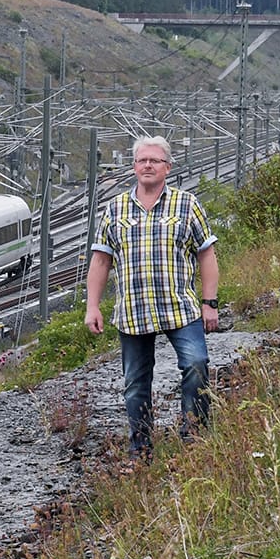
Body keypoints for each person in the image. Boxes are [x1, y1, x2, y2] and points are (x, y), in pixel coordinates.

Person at [84, 135, 220, 457]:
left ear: (167, 167)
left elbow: (207, 255)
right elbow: (101, 260)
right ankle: (141, 448)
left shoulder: (187, 204)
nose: (147, 165)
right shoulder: (115, 209)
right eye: (142, 160)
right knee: (135, 384)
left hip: (179, 307)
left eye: (154, 160)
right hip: (133, 311)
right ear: (133, 166)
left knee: (197, 365)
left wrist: (209, 302)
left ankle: (194, 436)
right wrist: (92, 306)